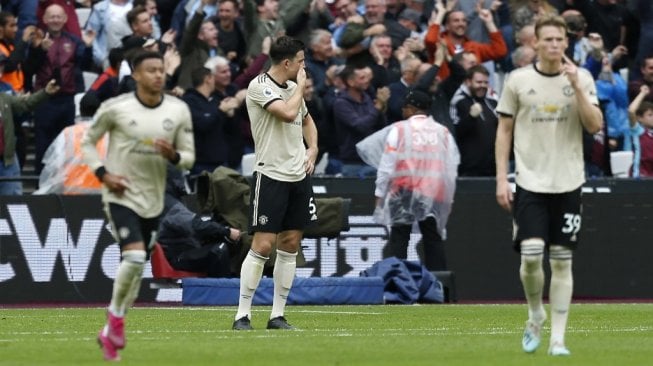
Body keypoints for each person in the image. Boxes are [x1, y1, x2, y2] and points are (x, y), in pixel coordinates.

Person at [495, 15, 603, 356]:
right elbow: (504, 131)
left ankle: (558, 339)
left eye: (560, 39)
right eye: (549, 39)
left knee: (560, 260)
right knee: (530, 257)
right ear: (535, 43)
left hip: (569, 180)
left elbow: (594, 125)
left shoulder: (581, 77)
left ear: (566, 43)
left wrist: (578, 90)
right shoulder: (518, 79)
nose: (555, 45)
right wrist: (501, 178)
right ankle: (534, 313)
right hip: (530, 180)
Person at [81, 50, 195, 361]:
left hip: (154, 199)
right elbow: (88, 142)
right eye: (151, 70)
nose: (159, 75)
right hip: (120, 195)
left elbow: (189, 158)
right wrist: (103, 174)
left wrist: (172, 155)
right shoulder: (116, 108)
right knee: (132, 257)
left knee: (135, 268)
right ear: (136, 76)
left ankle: (109, 331)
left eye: (161, 70)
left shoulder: (178, 110)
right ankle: (115, 319)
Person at [232, 36, 318, 331]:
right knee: (263, 244)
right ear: (287, 63)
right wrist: (301, 88)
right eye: (301, 61)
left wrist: (313, 148)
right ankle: (242, 314)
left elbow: (306, 120)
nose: (304, 67)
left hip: (298, 175)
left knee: (291, 243)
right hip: (270, 175)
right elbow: (288, 112)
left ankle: (277, 315)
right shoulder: (259, 87)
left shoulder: (294, 89)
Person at [374, 89, 459, 271]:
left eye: (404, 107)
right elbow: (450, 169)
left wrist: (380, 193)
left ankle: (396, 287)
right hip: (433, 192)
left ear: (411, 109)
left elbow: (387, 166)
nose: (402, 111)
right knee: (433, 240)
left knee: (399, 239)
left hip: (403, 190)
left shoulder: (399, 129)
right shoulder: (443, 132)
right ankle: (440, 289)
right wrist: (448, 199)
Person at [158, 164, 241, 277]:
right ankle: (224, 292)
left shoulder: (169, 199)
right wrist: (227, 231)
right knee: (218, 250)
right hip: (178, 256)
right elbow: (195, 225)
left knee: (219, 244)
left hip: (185, 249)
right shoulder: (167, 203)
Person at [0, 59, 59, 195]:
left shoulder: (4, 98)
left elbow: (25, 104)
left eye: (1, 68)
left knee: (14, 202)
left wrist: (45, 92)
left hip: (6, 160)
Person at [626, 85, 653, 178]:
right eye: (650, 115)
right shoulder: (638, 131)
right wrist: (642, 93)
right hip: (639, 176)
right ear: (639, 118)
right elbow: (631, 111)